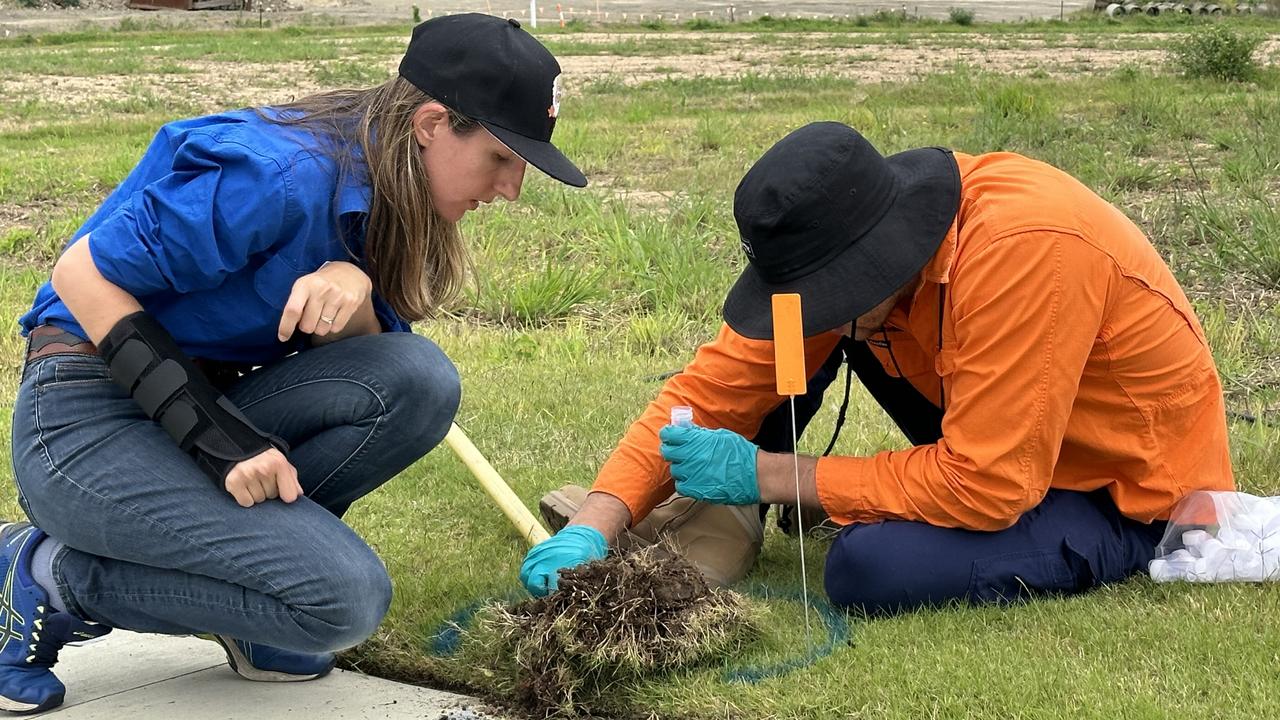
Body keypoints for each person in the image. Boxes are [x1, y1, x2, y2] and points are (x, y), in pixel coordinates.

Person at [1, 13, 584, 714]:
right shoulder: (276, 176)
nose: (511, 189)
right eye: (501, 158)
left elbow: (375, 361)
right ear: (432, 124)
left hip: (200, 400)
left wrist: (357, 292)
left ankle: (255, 601)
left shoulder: (384, 184)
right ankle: (40, 573)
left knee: (419, 378)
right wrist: (218, 441)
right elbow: (79, 274)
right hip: (83, 421)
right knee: (344, 601)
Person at [522, 121, 1234, 615]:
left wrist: (769, 474)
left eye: (829, 295)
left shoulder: (1024, 252)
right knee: (775, 367)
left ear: (883, 253)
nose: (819, 310)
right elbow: (712, 390)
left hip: (1120, 493)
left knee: (870, 567)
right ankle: (715, 516)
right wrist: (595, 522)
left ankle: (755, 499)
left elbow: (990, 486)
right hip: (997, 433)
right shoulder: (851, 241)